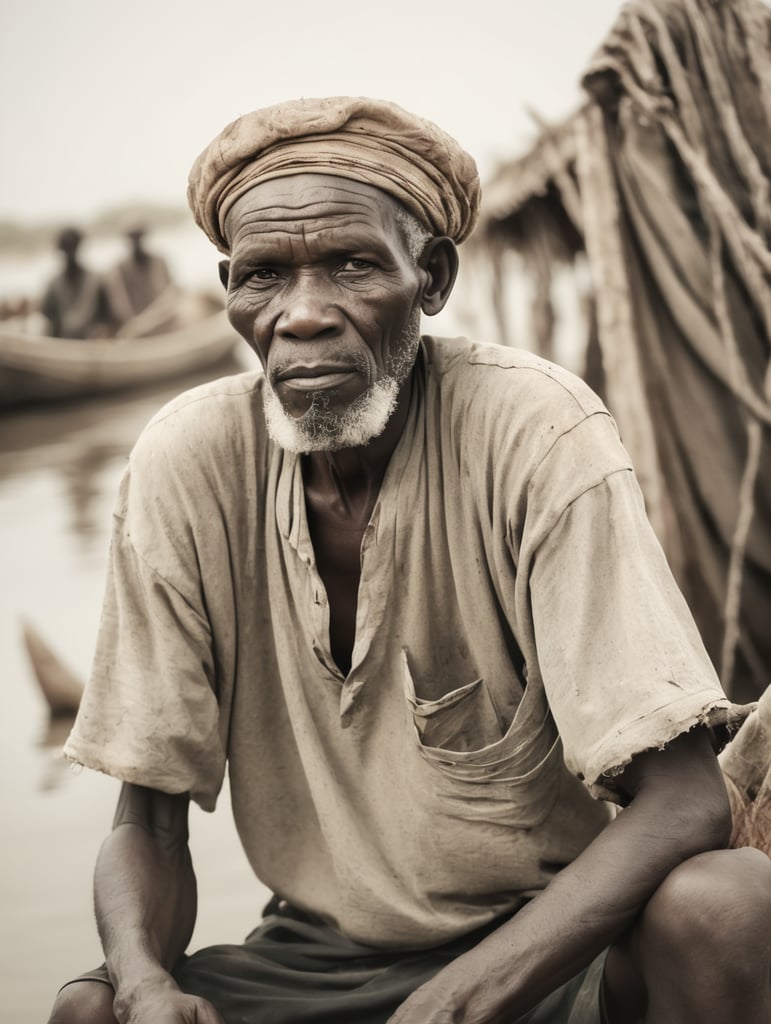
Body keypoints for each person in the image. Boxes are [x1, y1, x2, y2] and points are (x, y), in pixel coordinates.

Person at [48, 97, 771, 1024]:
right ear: (229, 292)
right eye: (265, 276)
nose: (302, 316)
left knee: (728, 906)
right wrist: (145, 982)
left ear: (430, 277)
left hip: (556, 937)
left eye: (350, 265)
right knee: (91, 1008)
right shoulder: (185, 461)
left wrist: (460, 998)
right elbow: (145, 823)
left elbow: (684, 805)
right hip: (316, 959)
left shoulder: (536, 431)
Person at [39, 227, 116, 338]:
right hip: (62, 342)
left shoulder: (95, 280)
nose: (69, 254)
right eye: (66, 249)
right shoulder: (54, 284)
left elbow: (106, 316)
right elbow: (47, 316)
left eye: (72, 248)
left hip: (91, 343)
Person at [103, 223, 173, 327]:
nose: (136, 242)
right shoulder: (120, 268)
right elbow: (121, 304)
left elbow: (169, 291)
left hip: (162, 319)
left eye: (138, 237)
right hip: (136, 325)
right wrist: (137, 322)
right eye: (133, 238)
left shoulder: (159, 262)